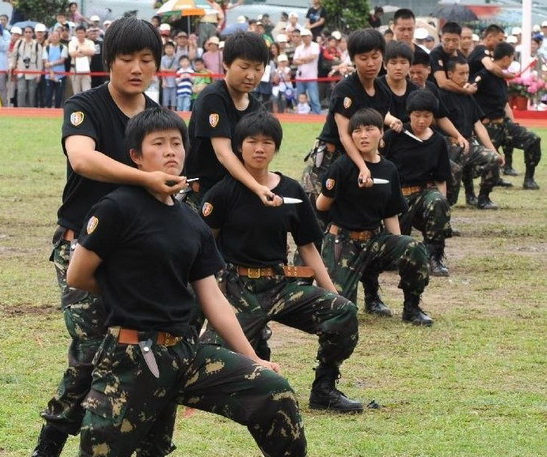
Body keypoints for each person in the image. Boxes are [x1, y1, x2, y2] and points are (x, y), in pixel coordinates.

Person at [68, 106, 307, 457]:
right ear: (136, 156)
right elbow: (77, 275)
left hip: (186, 353)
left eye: (176, 143)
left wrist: (252, 357)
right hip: (132, 356)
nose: (170, 151)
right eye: (158, 144)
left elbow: (213, 298)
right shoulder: (116, 208)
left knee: (274, 391)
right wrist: (130, 291)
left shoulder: (191, 220)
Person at [31, 17, 187, 457]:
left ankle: (152, 446)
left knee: (154, 349)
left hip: (139, 255)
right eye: (126, 59)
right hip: (83, 246)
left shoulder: (158, 118)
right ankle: (51, 443)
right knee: (91, 349)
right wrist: (145, 177)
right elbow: (82, 159)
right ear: (108, 61)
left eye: (147, 59)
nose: (137, 68)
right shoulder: (84, 106)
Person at [200, 110, 362, 413]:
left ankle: (324, 388)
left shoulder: (290, 190)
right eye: (252, 142)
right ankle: (255, 354)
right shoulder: (222, 193)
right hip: (237, 290)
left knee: (343, 312)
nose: (259, 149)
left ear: (276, 147)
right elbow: (204, 245)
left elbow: (307, 246)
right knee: (210, 358)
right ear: (239, 146)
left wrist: (331, 291)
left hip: (279, 286)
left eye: (267, 142)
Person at [316, 108, 432, 325]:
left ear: (381, 132)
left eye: (369, 129)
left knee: (413, 247)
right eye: (357, 131)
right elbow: (321, 205)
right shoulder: (342, 166)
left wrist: (398, 248)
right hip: (342, 240)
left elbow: (390, 213)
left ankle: (411, 308)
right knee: (341, 309)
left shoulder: (388, 169)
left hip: (374, 239)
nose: (363, 136)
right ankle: (368, 292)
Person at [301, 28, 401, 221]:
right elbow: (344, 135)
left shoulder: (383, 92)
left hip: (363, 153)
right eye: (363, 58)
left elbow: (377, 129)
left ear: (383, 56)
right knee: (317, 212)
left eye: (375, 57)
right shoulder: (344, 90)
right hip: (332, 155)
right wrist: (363, 167)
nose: (370, 63)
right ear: (353, 59)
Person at [185, 31, 281, 210]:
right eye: (244, 67)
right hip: (206, 192)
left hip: (238, 187)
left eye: (258, 68)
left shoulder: (257, 108)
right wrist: (256, 187)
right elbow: (223, 153)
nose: (251, 75)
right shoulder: (213, 97)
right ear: (226, 64)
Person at [381, 90, 453, 277]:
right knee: (392, 257)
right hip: (395, 197)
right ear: (409, 114)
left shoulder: (438, 141)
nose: (421, 121)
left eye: (427, 116)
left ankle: (434, 256)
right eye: (417, 115)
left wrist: (443, 206)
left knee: (438, 201)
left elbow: (441, 177)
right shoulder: (394, 135)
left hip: (422, 194)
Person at [473, 41, 541, 190]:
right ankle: (487, 184)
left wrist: (513, 123)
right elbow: (469, 95)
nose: (511, 61)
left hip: (504, 124)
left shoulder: (501, 78)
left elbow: (505, 104)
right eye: (511, 58)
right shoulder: (483, 75)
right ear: (506, 58)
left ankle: (529, 179)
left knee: (533, 139)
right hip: (488, 126)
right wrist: (477, 119)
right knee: (482, 163)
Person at [439, 56, 504, 209]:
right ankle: (446, 205)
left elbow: (478, 125)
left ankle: (483, 198)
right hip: (449, 144)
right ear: (450, 74)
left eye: (467, 73)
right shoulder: (442, 95)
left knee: (493, 159)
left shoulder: (467, 96)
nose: (465, 77)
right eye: (460, 73)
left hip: (469, 143)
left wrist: (493, 150)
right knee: (455, 167)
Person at [10, 25, 43, 107]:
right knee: (21, 91)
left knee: (31, 93)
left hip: (33, 72)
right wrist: (12, 66)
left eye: (30, 32)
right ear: (24, 33)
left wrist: (39, 74)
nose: (28, 34)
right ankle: (21, 110)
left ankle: (31, 110)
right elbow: (14, 56)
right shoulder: (19, 43)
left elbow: (39, 61)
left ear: (33, 33)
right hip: (21, 71)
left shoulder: (37, 45)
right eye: (26, 32)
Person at [293, 28, 321, 114]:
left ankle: (317, 116)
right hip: (300, 77)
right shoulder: (299, 48)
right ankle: (299, 115)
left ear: (311, 36)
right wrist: (305, 60)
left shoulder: (315, 45)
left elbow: (313, 57)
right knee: (299, 98)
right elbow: (294, 61)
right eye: (303, 36)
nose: (305, 38)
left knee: (314, 98)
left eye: (306, 36)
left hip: (311, 77)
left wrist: (301, 59)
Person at [42, 30, 68, 108]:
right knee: (48, 94)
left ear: (59, 37)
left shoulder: (63, 47)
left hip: (60, 75)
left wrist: (51, 64)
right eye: (53, 36)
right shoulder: (46, 48)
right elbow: (45, 62)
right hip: (49, 76)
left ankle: (57, 110)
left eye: (57, 36)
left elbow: (62, 60)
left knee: (59, 95)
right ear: (50, 37)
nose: (55, 38)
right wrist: (51, 72)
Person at [68, 25, 95, 94]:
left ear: (85, 33)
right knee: (76, 92)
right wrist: (85, 53)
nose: (80, 35)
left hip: (86, 69)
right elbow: (72, 54)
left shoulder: (90, 42)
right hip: (75, 69)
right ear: (76, 34)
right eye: (78, 33)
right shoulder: (72, 43)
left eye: (82, 33)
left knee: (87, 91)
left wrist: (80, 50)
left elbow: (92, 52)